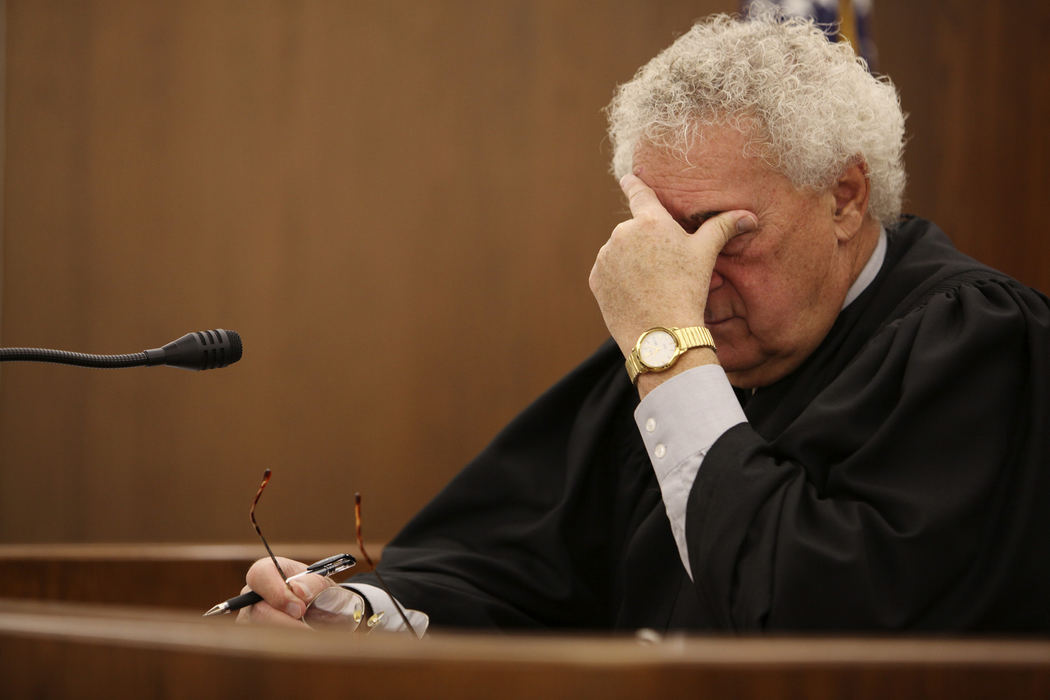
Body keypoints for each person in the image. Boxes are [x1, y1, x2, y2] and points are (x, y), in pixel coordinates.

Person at [238, 11, 1050, 633]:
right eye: (662, 233)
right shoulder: (688, 352)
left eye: (724, 231)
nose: (685, 279)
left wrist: (669, 360)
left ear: (844, 198)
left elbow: (810, 613)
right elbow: (507, 566)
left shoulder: (977, 344)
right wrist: (351, 616)